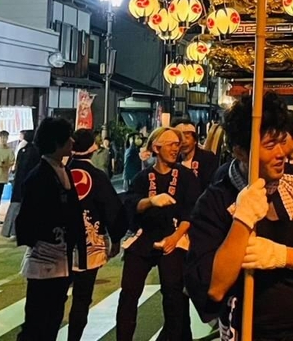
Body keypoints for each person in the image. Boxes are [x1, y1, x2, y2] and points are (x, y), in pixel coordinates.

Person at [186, 91, 293, 341]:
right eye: (269, 145)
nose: (281, 153)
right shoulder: (215, 201)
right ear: (240, 152)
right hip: (254, 331)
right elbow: (214, 288)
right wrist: (242, 221)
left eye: (282, 141)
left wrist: (281, 255)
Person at [116, 127, 200, 341]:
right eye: (171, 144)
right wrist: (150, 201)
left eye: (177, 144)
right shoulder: (142, 177)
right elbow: (130, 203)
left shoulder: (186, 176)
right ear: (156, 147)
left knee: (173, 296)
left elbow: (191, 212)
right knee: (128, 295)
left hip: (173, 237)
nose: (176, 148)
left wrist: (174, 238)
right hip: (144, 238)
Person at [16, 117, 86, 341]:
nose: (72, 141)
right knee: (38, 321)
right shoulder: (39, 176)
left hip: (61, 259)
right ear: (57, 143)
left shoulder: (60, 169)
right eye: (68, 138)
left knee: (53, 317)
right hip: (45, 257)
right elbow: (28, 222)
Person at [68, 129, 127, 341]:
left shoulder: (59, 171)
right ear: (93, 149)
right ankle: (73, 337)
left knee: (52, 298)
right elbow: (112, 209)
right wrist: (116, 237)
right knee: (82, 298)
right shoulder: (97, 177)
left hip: (57, 246)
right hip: (89, 244)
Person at [2, 129, 41, 239]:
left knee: (16, 207)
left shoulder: (22, 149)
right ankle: (20, 231)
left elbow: (17, 167)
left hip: (19, 181)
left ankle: (11, 231)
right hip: (30, 183)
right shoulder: (36, 151)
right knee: (25, 208)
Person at [171, 118, 219, 192]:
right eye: (179, 138)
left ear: (195, 140)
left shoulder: (207, 158)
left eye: (187, 137)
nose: (183, 142)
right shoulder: (172, 160)